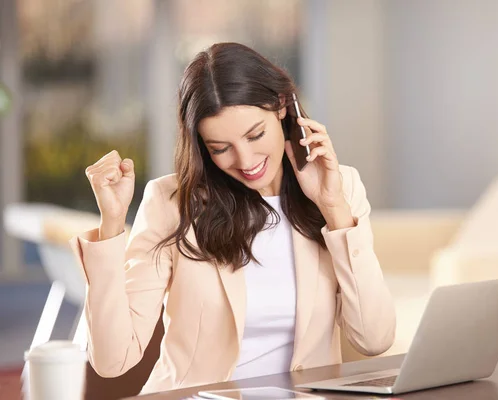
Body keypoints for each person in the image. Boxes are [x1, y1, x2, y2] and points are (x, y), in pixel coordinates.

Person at [70, 42, 396, 394]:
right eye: (220, 149)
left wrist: (333, 209)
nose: (245, 160)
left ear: (283, 106)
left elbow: (374, 340)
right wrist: (112, 224)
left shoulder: (342, 187)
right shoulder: (170, 203)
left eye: (255, 135)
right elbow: (112, 360)